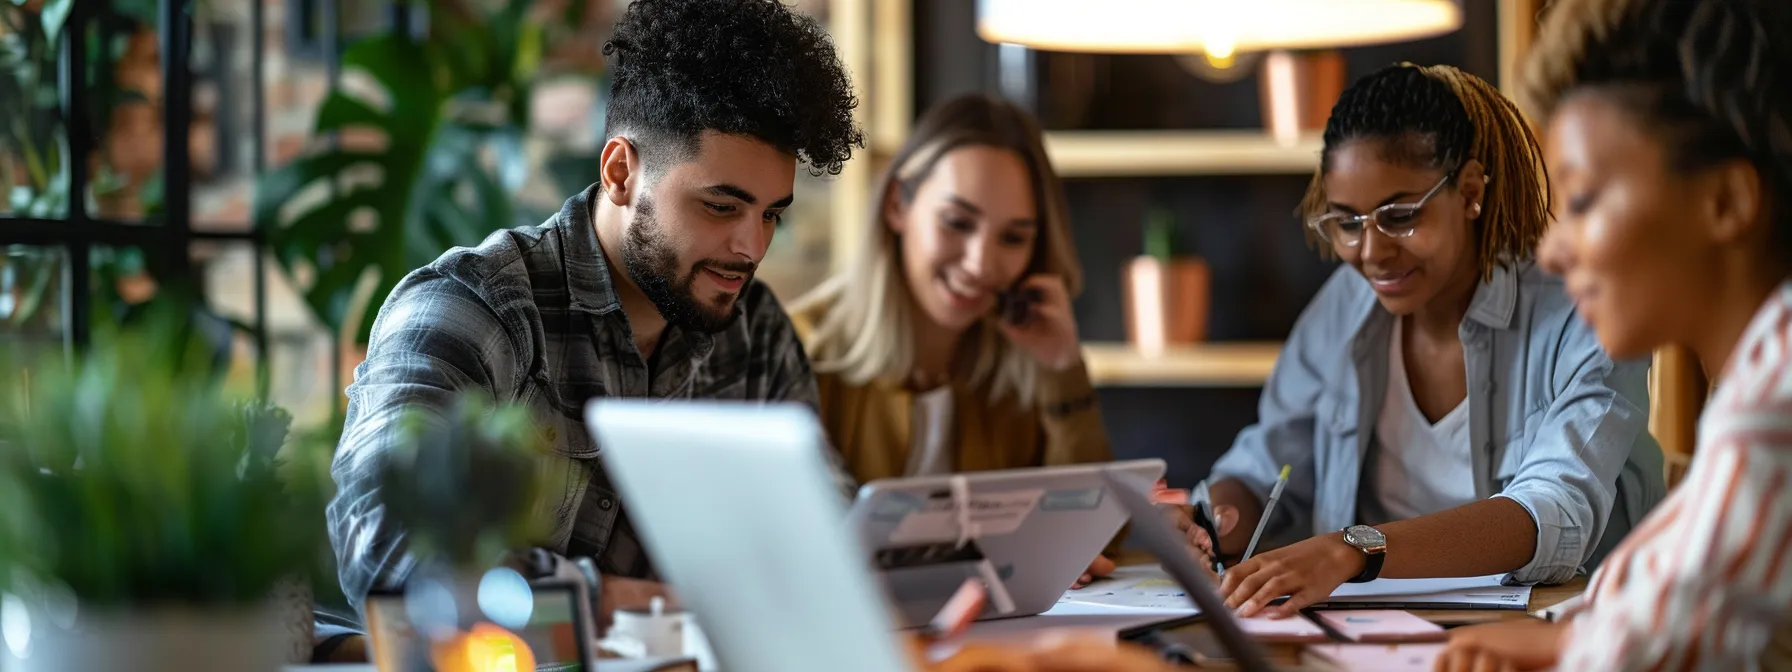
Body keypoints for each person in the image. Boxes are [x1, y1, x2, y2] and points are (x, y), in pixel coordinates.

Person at [313, 0, 863, 659]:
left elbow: (824, 537)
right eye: (721, 206)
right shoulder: (473, 307)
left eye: (772, 214)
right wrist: (588, 598)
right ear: (621, 172)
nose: (751, 246)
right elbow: (383, 539)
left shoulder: (757, 332)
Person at [1195, 63, 1667, 619]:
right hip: (1365, 633)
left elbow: (1556, 510)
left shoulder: (1585, 313)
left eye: (1399, 216)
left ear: (1469, 192)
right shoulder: (1346, 308)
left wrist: (1353, 549)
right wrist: (1209, 524)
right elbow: (1268, 468)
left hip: (1568, 634)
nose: (1370, 253)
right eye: (1347, 223)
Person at [1436, 0, 1792, 669]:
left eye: (1581, 200)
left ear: (1726, 202)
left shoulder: (1774, 406)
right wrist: (1571, 636)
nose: (1552, 252)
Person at [788, 94, 1182, 588]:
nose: (981, 264)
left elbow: (1095, 543)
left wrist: (1063, 370)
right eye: (957, 223)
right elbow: (799, 551)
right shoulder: (794, 351)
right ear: (897, 205)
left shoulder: (1020, 368)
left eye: (1013, 238)